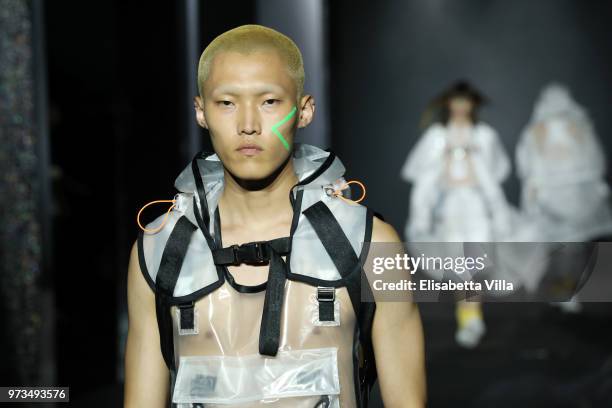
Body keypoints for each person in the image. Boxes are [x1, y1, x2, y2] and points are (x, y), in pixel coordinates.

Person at [124, 24, 426, 407]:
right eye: (226, 103)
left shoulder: (372, 245)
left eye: (269, 102)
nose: (248, 124)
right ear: (201, 111)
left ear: (304, 111)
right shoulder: (158, 251)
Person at [400, 80, 513, 348]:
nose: (461, 106)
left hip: (476, 206)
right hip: (450, 208)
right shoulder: (437, 136)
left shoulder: (485, 135)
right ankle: (469, 317)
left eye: (466, 101)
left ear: (473, 103)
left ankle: (472, 316)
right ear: (449, 103)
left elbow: (496, 171)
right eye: (456, 100)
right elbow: (422, 176)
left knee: (476, 262)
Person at [516, 83, 612, 313]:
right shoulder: (536, 131)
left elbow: (593, 160)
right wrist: (534, 187)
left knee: (576, 247)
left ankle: (565, 289)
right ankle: (555, 288)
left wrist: (595, 185)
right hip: (552, 198)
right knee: (556, 248)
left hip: (576, 196)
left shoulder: (578, 127)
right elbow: (529, 162)